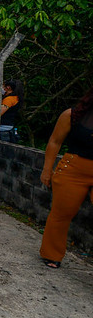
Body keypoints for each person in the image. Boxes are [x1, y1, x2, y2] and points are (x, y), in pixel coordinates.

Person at [38, 85, 93, 268]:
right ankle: (51, 254)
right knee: (61, 213)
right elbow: (54, 142)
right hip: (73, 169)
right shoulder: (72, 115)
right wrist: (47, 170)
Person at [0, 79, 23, 143]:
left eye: (3, 86)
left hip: (3, 127)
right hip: (9, 126)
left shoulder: (9, 100)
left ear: (8, 87)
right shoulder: (16, 98)